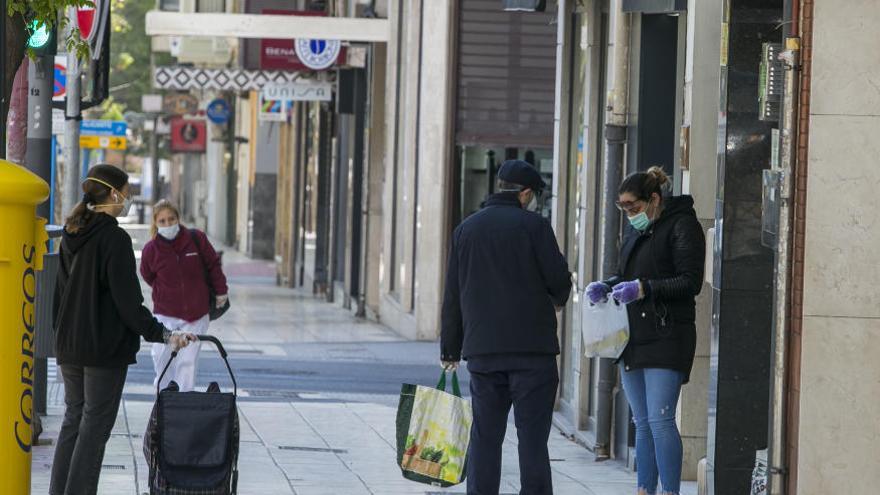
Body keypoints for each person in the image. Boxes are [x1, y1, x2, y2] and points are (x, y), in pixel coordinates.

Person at [51, 165, 195, 495]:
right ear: (114, 194)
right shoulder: (114, 239)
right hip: (102, 349)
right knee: (93, 428)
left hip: (69, 347)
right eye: (126, 192)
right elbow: (128, 303)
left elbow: (59, 296)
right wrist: (163, 334)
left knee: (73, 421)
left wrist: (61, 335)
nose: (128, 199)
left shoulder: (70, 234)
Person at [441, 160, 572, 495]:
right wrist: (555, 297)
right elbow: (559, 282)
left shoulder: (466, 229)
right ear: (525, 193)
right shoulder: (535, 227)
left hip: (484, 353)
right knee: (532, 440)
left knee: (485, 437)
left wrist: (450, 349)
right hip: (533, 353)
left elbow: (453, 294)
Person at [585, 166, 705, 495]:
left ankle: (669, 491)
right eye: (623, 209)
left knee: (661, 419)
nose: (629, 215)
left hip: (668, 334)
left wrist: (643, 289)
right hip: (633, 336)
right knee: (642, 422)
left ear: (654, 199)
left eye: (634, 208)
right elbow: (626, 274)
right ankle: (644, 489)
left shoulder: (683, 225)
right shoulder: (637, 232)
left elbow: (690, 282)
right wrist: (607, 286)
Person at [140, 199, 228, 392]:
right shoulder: (150, 250)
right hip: (165, 313)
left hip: (196, 314)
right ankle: (163, 399)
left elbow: (213, 265)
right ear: (155, 223)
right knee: (162, 357)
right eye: (162, 221)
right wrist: (165, 290)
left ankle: (184, 400)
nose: (167, 224)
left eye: (171, 219)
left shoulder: (196, 239)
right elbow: (147, 274)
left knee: (187, 362)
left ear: (178, 219)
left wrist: (221, 290)